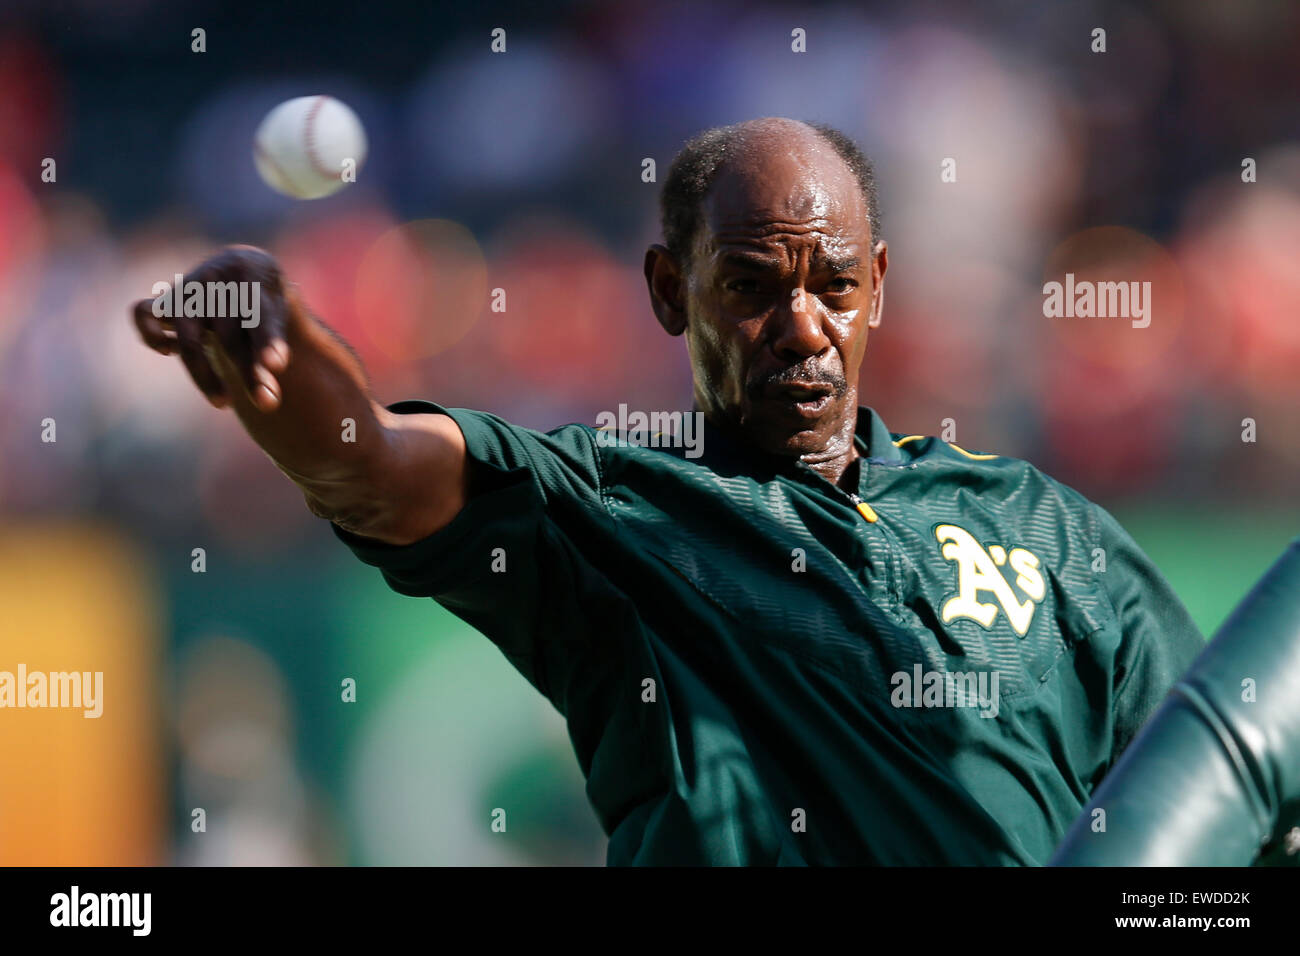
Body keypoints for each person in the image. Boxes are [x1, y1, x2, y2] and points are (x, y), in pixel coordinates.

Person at [131, 117, 1204, 864]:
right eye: (749, 284)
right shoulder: (613, 510)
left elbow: (1215, 790)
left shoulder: (1047, 528)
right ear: (666, 289)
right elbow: (368, 464)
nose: (800, 326)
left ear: (878, 284)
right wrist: (276, 338)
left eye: (832, 284)